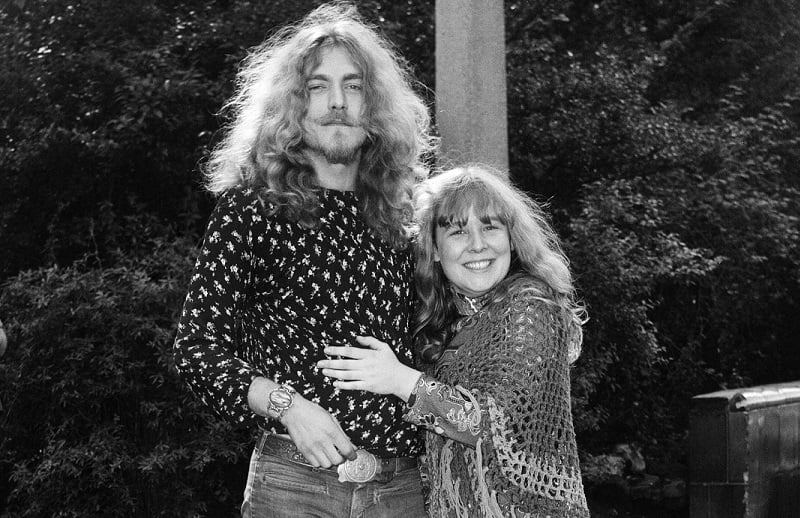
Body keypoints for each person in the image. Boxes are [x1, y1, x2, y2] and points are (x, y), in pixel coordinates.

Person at [173, 3, 435, 517]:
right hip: (293, 487)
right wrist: (289, 407)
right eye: (318, 86)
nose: (337, 102)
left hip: (402, 488)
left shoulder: (406, 215)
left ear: (375, 104)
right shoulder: (253, 209)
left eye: (354, 86)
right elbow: (196, 348)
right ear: (292, 104)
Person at [318, 165, 590, 517]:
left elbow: (492, 422)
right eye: (458, 231)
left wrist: (399, 379)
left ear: (512, 238)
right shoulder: (442, 319)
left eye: (490, 227)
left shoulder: (530, 307)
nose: (477, 244)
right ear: (433, 249)